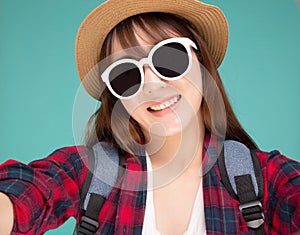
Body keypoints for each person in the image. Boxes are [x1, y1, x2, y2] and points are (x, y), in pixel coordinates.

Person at [0, 0, 299, 234]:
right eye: (126, 74)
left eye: (169, 57)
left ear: (201, 63)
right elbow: (31, 191)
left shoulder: (262, 178)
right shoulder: (95, 173)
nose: (152, 84)